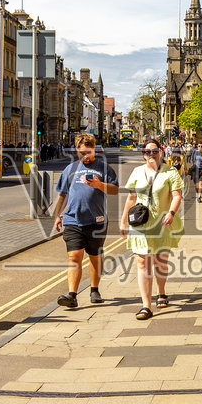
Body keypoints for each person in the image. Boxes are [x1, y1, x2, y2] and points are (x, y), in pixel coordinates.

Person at [53, 132, 119, 309]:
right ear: (77, 151)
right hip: (72, 219)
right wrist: (58, 215)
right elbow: (63, 194)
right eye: (82, 153)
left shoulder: (104, 168)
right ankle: (72, 295)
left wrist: (99, 185)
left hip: (96, 220)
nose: (85, 156)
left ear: (94, 150)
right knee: (74, 256)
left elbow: (114, 190)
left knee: (95, 256)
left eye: (88, 152)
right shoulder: (70, 169)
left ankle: (94, 289)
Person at [121, 137, 183, 320]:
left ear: (161, 152)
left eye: (154, 151)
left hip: (162, 223)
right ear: (143, 154)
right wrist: (123, 221)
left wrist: (171, 213)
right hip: (141, 223)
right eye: (147, 152)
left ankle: (161, 291)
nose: (150, 154)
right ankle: (146, 306)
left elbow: (177, 195)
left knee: (160, 262)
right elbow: (131, 198)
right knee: (142, 262)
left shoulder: (170, 172)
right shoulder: (137, 172)